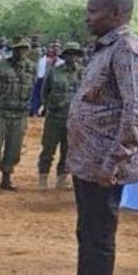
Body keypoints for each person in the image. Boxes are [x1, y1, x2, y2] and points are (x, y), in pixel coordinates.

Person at [36, 0, 138, 275]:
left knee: (99, 239)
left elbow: (136, 108)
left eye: (93, 11)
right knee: (87, 235)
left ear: (116, 14)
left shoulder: (127, 49)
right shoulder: (105, 48)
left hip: (105, 165)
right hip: (88, 161)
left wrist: (116, 160)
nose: (87, 17)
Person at [0, 39, 32, 191]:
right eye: (18, 49)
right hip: (0, 112)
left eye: (24, 49)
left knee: (14, 147)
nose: (21, 52)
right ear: (13, 50)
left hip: (20, 113)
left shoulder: (31, 67)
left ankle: (6, 179)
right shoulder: (0, 65)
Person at [37, 43, 82, 189]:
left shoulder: (83, 73)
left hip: (74, 119)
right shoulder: (54, 72)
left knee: (68, 150)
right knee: (48, 149)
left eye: (75, 54)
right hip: (55, 117)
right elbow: (44, 92)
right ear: (65, 55)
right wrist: (50, 106)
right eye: (69, 54)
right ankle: (43, 177)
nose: (72, 57)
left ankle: (62, 178)